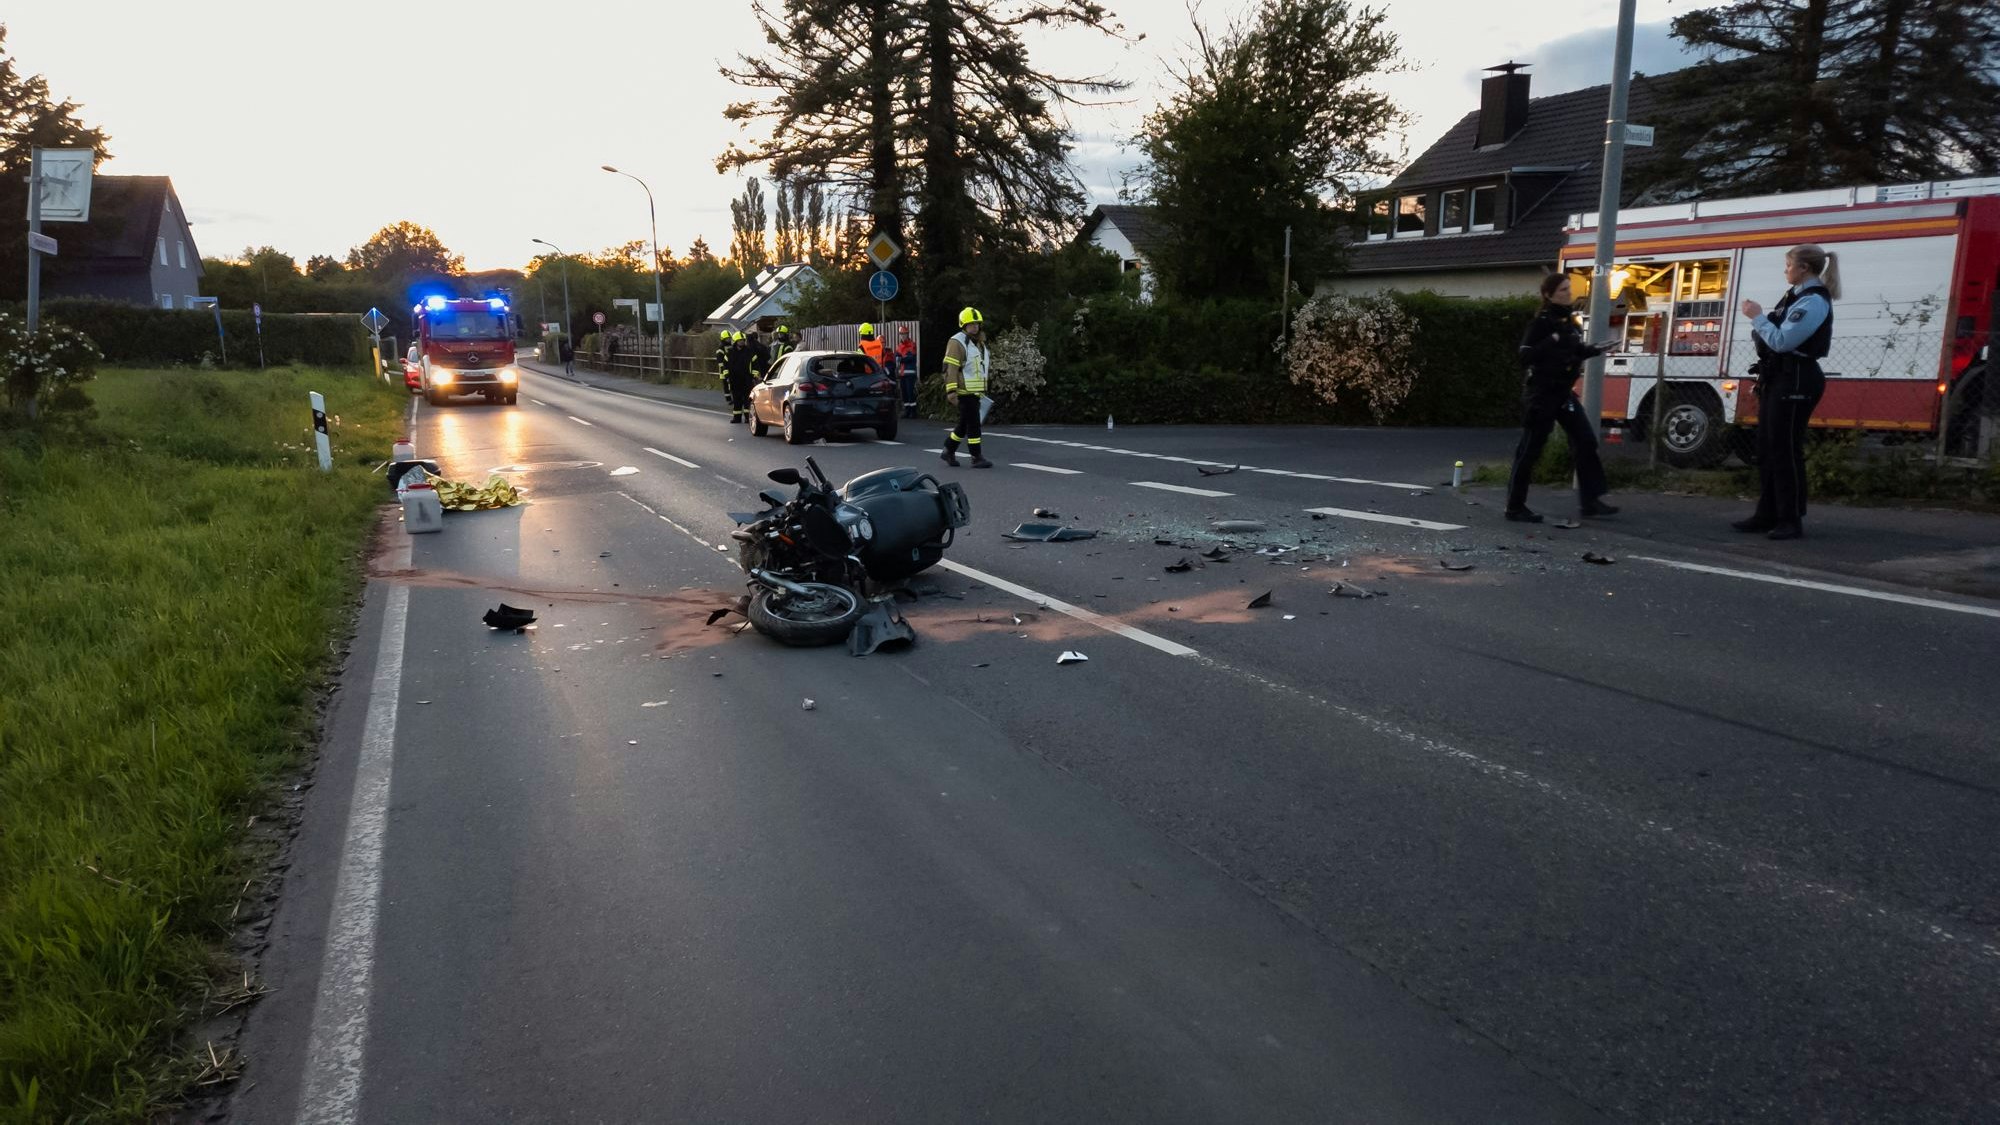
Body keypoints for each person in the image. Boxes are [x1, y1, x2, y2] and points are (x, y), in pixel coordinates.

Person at [1734, 244, 1834, 540]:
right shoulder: (1795, 297)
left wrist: (1757, 317)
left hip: (1798, 378)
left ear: (1804, 268)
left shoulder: (1813, 301)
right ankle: (1767, 513)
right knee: (1766, 448)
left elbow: (1782, 341)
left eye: (1789, 265)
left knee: (1785, 449)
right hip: (1780, 377)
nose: (1785, 270)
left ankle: (1790, 518)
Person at [1505, 272, 1620, 523]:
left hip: (1562, 394)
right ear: (1549, 295)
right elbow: (1525, 356)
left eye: (1569, 289)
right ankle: (1514, 507)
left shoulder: (1570, 321)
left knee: (1586, 440)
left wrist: (1595, 350)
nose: (1568, 294)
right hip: (1542, 395)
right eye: (1562, 291)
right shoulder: (1541, 323)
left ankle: (1590, 500)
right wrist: (1551, 340)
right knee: (1530, 450)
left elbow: (1574, 351)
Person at [940, 307, 993, 468]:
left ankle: (948, 450)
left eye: (977, 324)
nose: (975, 327)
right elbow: (951, 368)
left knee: (964, 424)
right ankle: (976, 457)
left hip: (975, 391)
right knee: (973, 425)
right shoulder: (957, 342)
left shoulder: (979, 343)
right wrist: (951, 391)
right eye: (971, 324)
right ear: (963, 325)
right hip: (964, 391)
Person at [723, 330, 763, 424]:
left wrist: (755, 376)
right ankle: (736, 418)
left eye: (743, 340)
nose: (742, 342)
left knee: (747, 400)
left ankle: (747, 418)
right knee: (736, 400)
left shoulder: (750, 352)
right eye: (740, 340)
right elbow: (725, 366)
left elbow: (755, 366)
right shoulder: (729, 353)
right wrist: (727, 376)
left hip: (746, 380)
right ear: (735, 341)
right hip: (734, 380)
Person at [893, 326, 919, 417]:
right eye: (901, 334)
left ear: (908, 334)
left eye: (904, 334)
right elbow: (896, 358)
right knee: (904, 393)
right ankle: (907, 411)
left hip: (910, 373)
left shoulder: (912, 344)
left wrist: (901, 358)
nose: (903, 336)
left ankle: (913, 412)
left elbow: (910, 357)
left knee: (910, 392)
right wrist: (901, 358)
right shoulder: (899, 346)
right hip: (902, 373)